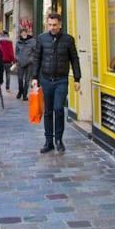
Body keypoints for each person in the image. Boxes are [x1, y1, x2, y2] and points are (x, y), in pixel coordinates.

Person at [31, 13, 81, 154]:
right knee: (48, 111)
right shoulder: (41, 38)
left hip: (61, 80)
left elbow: (74, 59)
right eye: (50, 25)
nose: (52, 27)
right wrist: (35, 77)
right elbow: (37, 59)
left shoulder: (68, 40)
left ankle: (59, 139)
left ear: (60, 24)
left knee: (58, 109)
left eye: (54, 25)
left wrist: (77, 78)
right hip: (46, 80)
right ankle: (49, 142)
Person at [15, 28, 36, 101]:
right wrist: (17, 58)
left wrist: (31, 59)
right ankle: (20, 91)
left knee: (27, 80)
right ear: (20, 34)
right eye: (22, 33)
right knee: (20, 79)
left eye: (25, 32)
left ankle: (24, 95)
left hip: (29, 63)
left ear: (27, 33)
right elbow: (16, 52)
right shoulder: (18, 42)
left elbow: (35, 51)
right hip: (20, 63)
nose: (24, 34)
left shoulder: (32, 41)